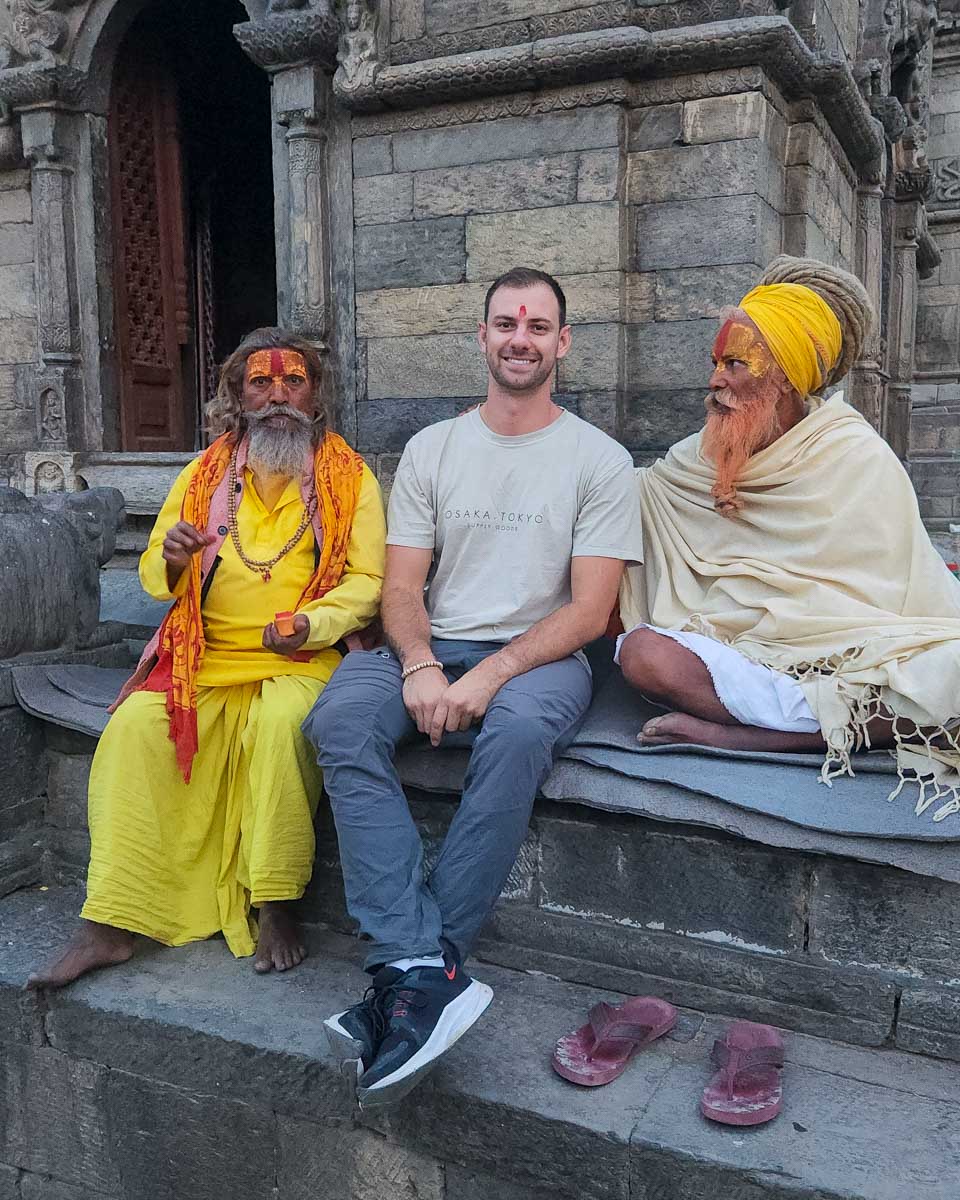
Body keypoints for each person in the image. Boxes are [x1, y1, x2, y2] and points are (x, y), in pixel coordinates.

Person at [303, 266, 643, 1105]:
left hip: (543, 655)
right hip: (433, 643)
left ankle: (419, 969)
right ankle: (421, 965)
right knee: (341, 717)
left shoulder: (598, 459)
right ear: (482, 338)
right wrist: (419, 666)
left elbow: (594, 611)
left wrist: (491, 673)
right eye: (504, 323)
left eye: (537, 326)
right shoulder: (433, 448)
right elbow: (403, 587)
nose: (519, 338)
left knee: (519, 731)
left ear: (562, 343)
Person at [28, 328, 386, 989]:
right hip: (206, 656)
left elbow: (366, 584)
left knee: (282, 730)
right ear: (236, 395)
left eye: (293, 381)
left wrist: (311, 623)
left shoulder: (351, 479)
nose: (278, 395)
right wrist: (171, 560)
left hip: (301, 660)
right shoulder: (203, 475)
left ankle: (274, 902)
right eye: (260, 382)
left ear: (316, 394)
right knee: (133, 731)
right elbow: (150, 572)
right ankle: (108, 923)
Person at [616, 255, 960, 821]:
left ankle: (754, 737)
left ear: (784, 375)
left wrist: (818, 643)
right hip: (743, 654)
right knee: (643, 655)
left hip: (848, 657)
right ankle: (813, 728)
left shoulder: (855, 454)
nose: (715, 380)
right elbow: (632, 493)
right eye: (715, 363)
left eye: (733, 364)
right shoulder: (698, 455)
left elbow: (895, 600)